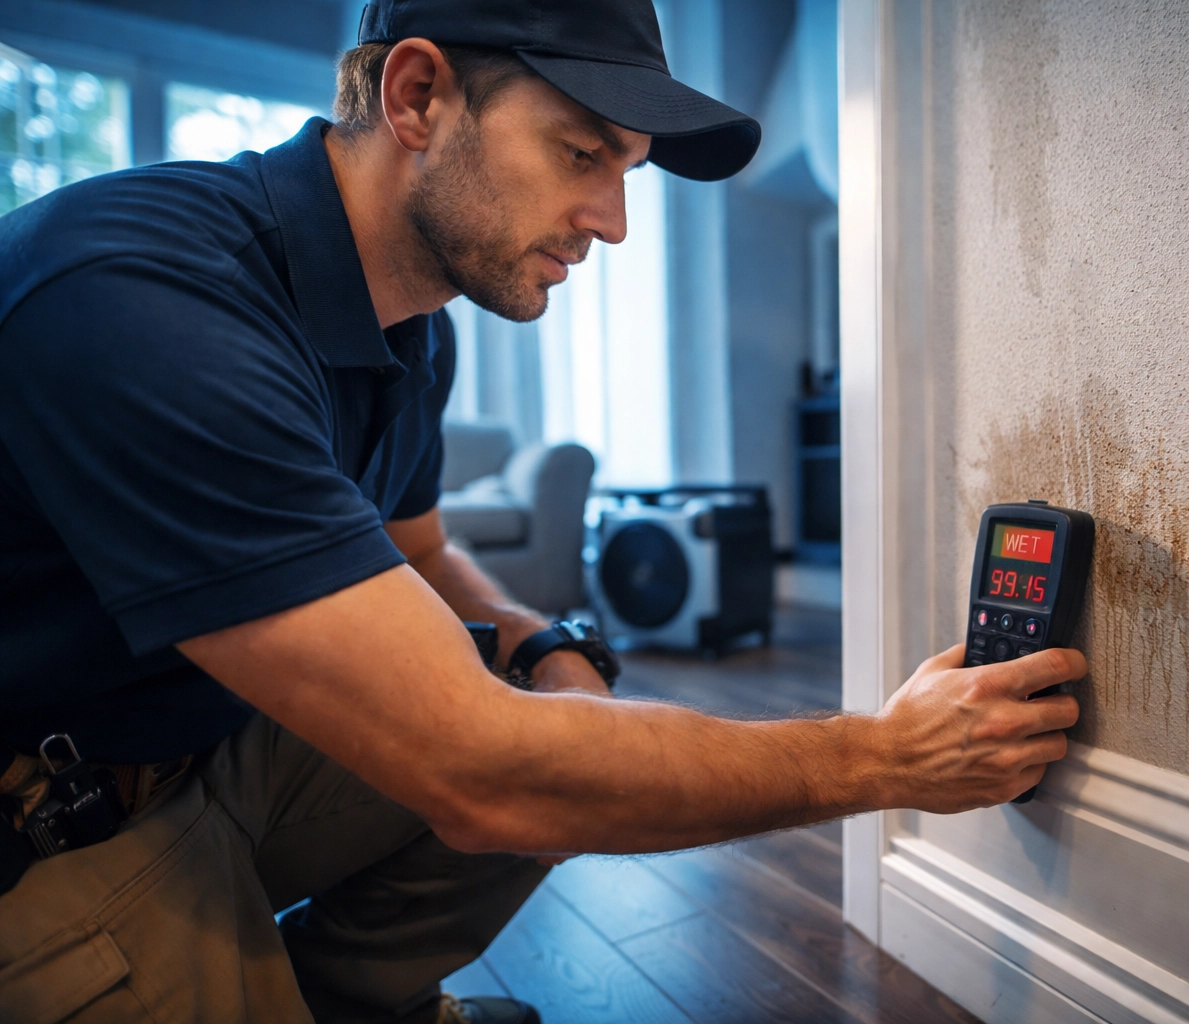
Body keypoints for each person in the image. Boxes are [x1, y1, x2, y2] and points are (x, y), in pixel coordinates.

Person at [0, 1, 1084, 1021]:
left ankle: (349, 998)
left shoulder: (412, 317)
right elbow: (485, 777)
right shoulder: (143, 296)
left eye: (630, 171)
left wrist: (554, 647)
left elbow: (417, 546)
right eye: (582, 153)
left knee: (550, 719)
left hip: (202, 738)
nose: (610, 223)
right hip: (46, 818)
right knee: (521, 762)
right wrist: (884, 759)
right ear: (418, 96)